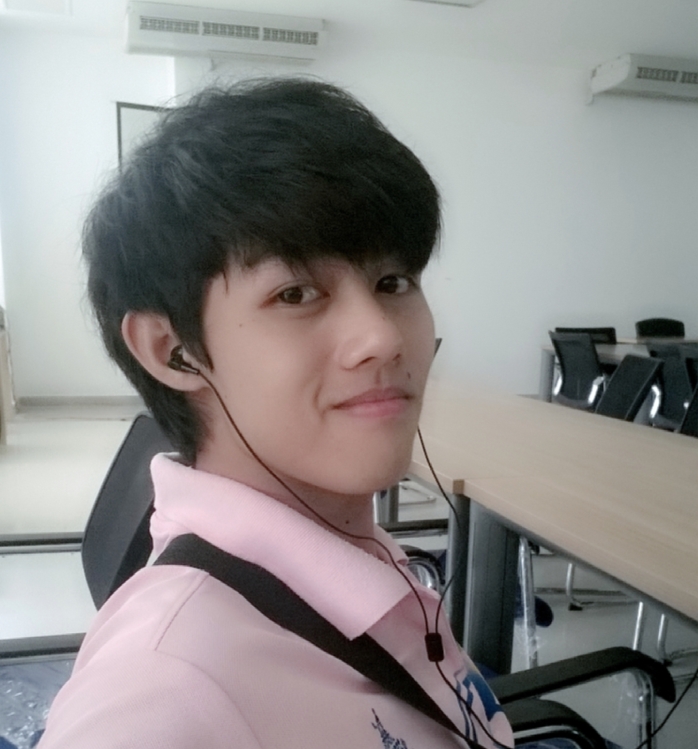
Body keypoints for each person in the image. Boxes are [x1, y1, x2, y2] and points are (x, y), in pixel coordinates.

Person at [39, 78, 513, 749]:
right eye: (295, 293)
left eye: (393, 281)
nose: (382, 336)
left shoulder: (352, 544)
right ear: (173, 350)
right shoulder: (164, 687)